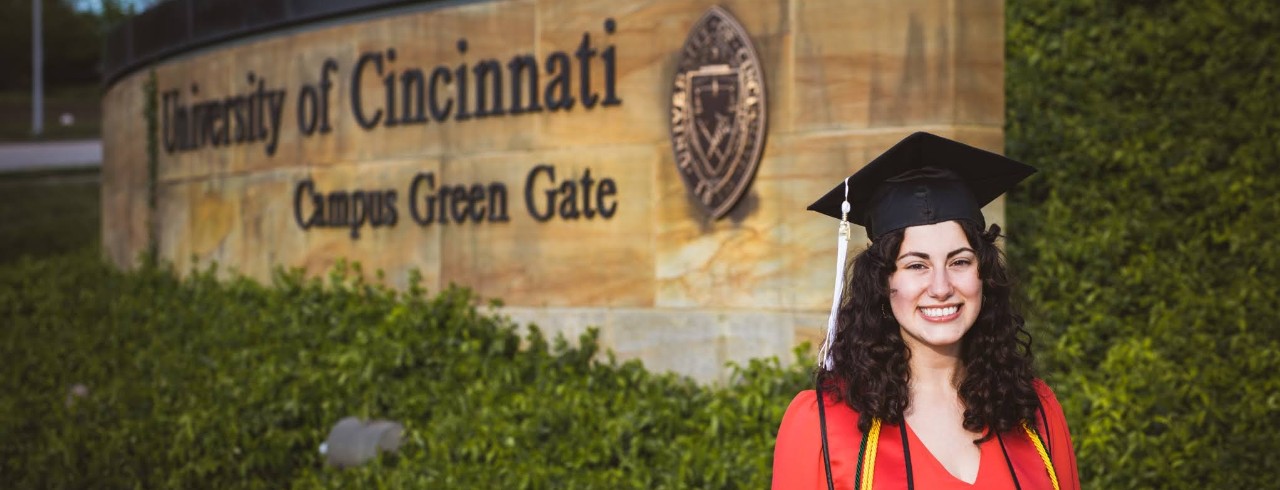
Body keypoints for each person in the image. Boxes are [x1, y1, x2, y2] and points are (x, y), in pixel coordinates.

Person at [772, 132, 1080, 490]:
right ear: (883, 282)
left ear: (985, 273)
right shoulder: (823, 425)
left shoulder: (1035, 413)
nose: (941, 287)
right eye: (916, 265)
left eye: (960, 261)